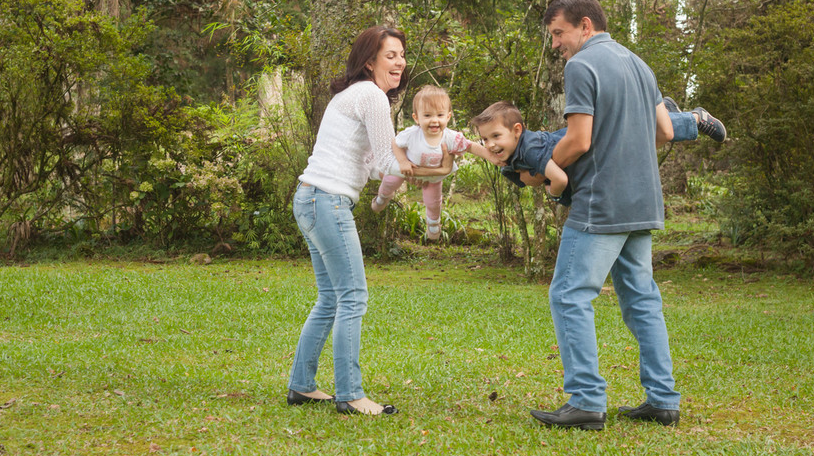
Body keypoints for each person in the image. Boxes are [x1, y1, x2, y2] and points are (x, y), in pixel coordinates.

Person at [528, 0, 682, 431]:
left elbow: (578, 140)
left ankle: (586, 401)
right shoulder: (639, 64)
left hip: (601, 204)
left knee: (569, 295)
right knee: (642, 299)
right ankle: (663, 399)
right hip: (643, 201)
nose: (555, 44)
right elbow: (666, 131)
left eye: (559, 33)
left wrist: (545, 167)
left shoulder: (582, 65)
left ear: (585, 26)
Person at [287, 26, 443, 417]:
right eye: (390, 55)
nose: (400, 62)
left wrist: (412, 168)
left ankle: (302, 385)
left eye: (402, 55)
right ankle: (350, 394)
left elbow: (375, 167)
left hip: (311, 198)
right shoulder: (371, 95)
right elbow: (390, 161)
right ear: (370, 62)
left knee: (331, 298)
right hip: (327, 201)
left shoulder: (355, 95)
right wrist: (435, 166)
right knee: (352, 297)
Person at [470, 96, 725, 207]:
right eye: (485, 139)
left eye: (496, 136)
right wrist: (465, 145)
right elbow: (489, 155)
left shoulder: (531, 151)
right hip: (585, 157)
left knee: (633, 133)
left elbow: (560, 179)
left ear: (517, 130)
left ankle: (694, 119)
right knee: (635, 134)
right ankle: (665, 112)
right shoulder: (510, 153)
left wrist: (554, 195)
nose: (490, 145)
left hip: (589, 141)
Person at [370, 85, 499, 240]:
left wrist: (491, 156)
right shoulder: (412, 134)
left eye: (440, 115)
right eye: (427, 115)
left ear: (448, 117)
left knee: (433, 202)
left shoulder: (450, 137)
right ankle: (383, 197)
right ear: (416, 118)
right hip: (408, 169)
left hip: (433, 178)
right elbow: (395, 143)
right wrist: (403, 161)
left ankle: (433, 224)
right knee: (390, 181)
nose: (434, 120)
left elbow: (470, 146)